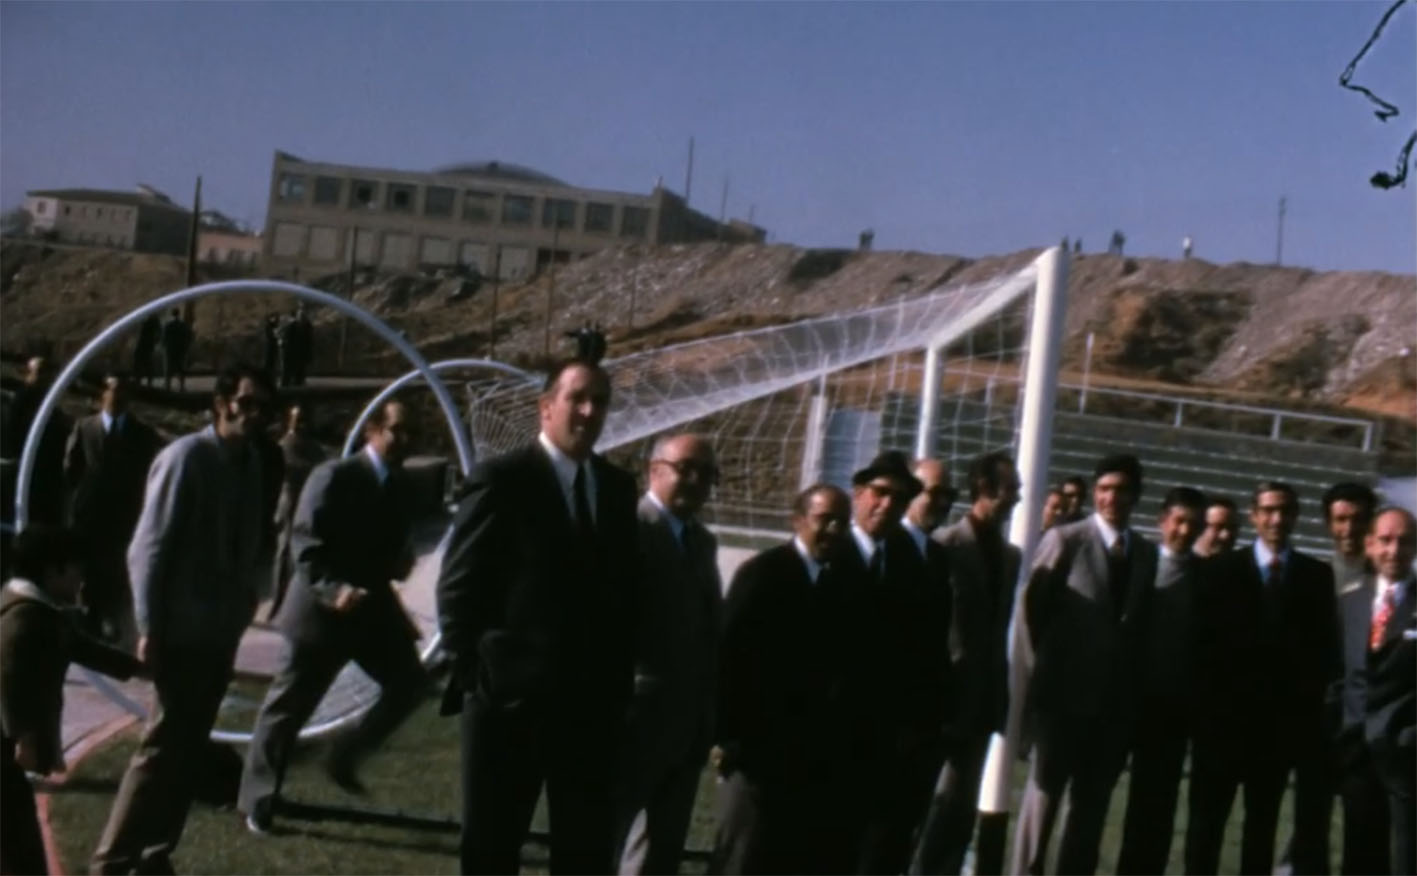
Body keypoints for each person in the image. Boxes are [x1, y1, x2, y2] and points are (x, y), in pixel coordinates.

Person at [435, 355, 640, 874]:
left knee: (584, 851)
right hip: (509, 708)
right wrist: (480, 676)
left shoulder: (616, 490)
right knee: (492, 849)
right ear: (546, 408)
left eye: (601, 401)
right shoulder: (502, 480)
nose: (590, 411)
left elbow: (619, 596)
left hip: (590, 712)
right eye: (578, 398)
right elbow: (459, 589)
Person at [90, 365, 275, 875]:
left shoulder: (251, 463)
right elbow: (147, 550)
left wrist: (244, 607)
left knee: (190, 749)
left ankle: (154, 854)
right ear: (220, 403)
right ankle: (110, 861)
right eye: (247, 402)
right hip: (178, 629)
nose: (255, 415)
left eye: (264, 407)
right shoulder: (185, 459)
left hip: (219, 631)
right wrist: (149, 626)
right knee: (161, 749)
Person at [240, 400, 425, 833]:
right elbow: (305, 543)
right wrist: (333, 589)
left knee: (411, 683)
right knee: (288, 708)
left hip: (371, 612)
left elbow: (390, 547)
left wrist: (400, 562)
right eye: (397, 430)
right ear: (372, 432)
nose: (405, 441)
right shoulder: (334, 476)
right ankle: (258, 801)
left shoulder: (401, 485)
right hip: (321, 616)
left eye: (411, 433)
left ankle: (344, 755)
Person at [1010, 454, 1158, 876]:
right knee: (1043, 804)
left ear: (1135, 496)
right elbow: (1031, 616)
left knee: (1089, 815)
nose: (1112, 497)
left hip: (1112, 711)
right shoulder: (1066, 540)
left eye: (1121, 490)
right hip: (1061, 703)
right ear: (1095, 493)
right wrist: (1045, 680)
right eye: (1105, 489)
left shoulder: (1145, 553)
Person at [1186, 482, 1340, 876]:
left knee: (1261, 832)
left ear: (1295, 517)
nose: (1277, 519)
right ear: (1254, 516)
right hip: (1220, 728)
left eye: (1285, 511)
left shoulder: (1315, 576)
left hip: (1277, 733)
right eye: (1268, 510)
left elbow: (1322, 655)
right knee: (1205, 829)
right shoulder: (1219, 571)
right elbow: (1200, 651)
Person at [711, 484, 860, 875]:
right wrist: (729, 741)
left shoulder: (845, 584)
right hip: (755, 756)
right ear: (798, 520)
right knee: (742, 858)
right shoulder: (763, 573)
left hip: (809, 761)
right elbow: (728, 659)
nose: (832, 530)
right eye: (823, 519)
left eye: (842, 523)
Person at [1, 525, 143, 876]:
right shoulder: (27, 620)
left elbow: (83, 649)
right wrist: (24, 737)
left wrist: (145, 669)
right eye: (76, 570)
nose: (81, 580)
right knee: (22, 856)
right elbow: (8, 678)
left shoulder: (30, 609)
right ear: (54, 570)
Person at [612, 433, 722, 875]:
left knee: (660, 851)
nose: (696, 481)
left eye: (707, 474)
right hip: (630, 719)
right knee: (608, 837)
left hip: (686, 724)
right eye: (686, 469)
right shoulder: (627, 529)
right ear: (653, 470)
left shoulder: (703, 541)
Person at [841, 451, 953, 875]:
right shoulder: (832, 553)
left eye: (899, 498)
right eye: (880, 493)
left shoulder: (916, 565)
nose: (887, 505)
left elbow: (927, 650)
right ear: (859, 494)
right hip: (832, 743)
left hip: (896, 746)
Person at [911, 451, 1021, 876]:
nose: (1017, 497)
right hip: (944, 700)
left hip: (983, 700)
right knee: (928, 806)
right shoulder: (946, 546)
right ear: (985, 489)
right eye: (1011, 488)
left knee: (960, 810)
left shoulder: (1010, 557)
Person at [1116, 486, 1206, 874]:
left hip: (1170, 710)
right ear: (1163, 520)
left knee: (1155, 807)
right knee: (1094, 798)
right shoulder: (1139, 562)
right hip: (1123, 700)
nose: (1185, 530)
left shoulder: (1206, 577)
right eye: (1179, 521)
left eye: (1194, 524)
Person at [1333, 506, 1415, 876]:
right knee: (1359, 857)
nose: (1393, 551)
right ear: (1368, 545)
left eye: (1404, 541)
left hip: (1407, 755)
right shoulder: (1349, 602)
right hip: (1356, 754)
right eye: (1385, 540)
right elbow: (1339, 677)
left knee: (1406, 858)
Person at [64, 372, 161, 651]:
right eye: (113, 391)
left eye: (124, 392)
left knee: (117, 567)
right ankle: (90, 618)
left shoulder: (142, 434)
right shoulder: (85, 428)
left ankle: (111, 620)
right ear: (102, 395)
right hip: (89, 514)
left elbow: (147, 473)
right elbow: (71, 469)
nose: (118, 397)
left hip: (124, 514)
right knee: (88, 567)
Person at [267, 403, 328, 618]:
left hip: (306, 503)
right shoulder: (285, 445)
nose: (300, 424)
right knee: (284, 553)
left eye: (303, 420)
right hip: (289, 502)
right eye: (296, 419)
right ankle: (279, 599)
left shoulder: (313, 447)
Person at [5, 356, 71, 528]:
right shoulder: (20, 403)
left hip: (45, 474)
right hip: (23, 471)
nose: (45, 379)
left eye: (48, 374)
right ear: (28, 374)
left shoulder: (50, 406)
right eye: (39, 372)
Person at [1324, 482, 1378, 593]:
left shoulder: (1389, 579)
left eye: (1358, 519)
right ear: (1329, 524)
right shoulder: (1315, 577)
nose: (1349, 529)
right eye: (1341, 519)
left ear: (1371, 522)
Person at [160, 307, 193, 392]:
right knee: (181, 368)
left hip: (170, 349)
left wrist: (164, 346)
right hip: (181, 349)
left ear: (172, 314)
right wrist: (186, 346)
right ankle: (181, 386)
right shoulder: (183, 325)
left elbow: (164, 337)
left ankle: (167, 385)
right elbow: (188, 336)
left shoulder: (168, 325)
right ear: (179, 314)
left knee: (168, 368)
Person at [134, 314, 161, 387]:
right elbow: (158, 335)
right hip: (146, 345)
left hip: (145, 344)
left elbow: (158, 335)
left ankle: (140, 381)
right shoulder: (152, 323)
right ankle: (146, 381)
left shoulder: (148, 323)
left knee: (142, 363)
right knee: (146, 363)